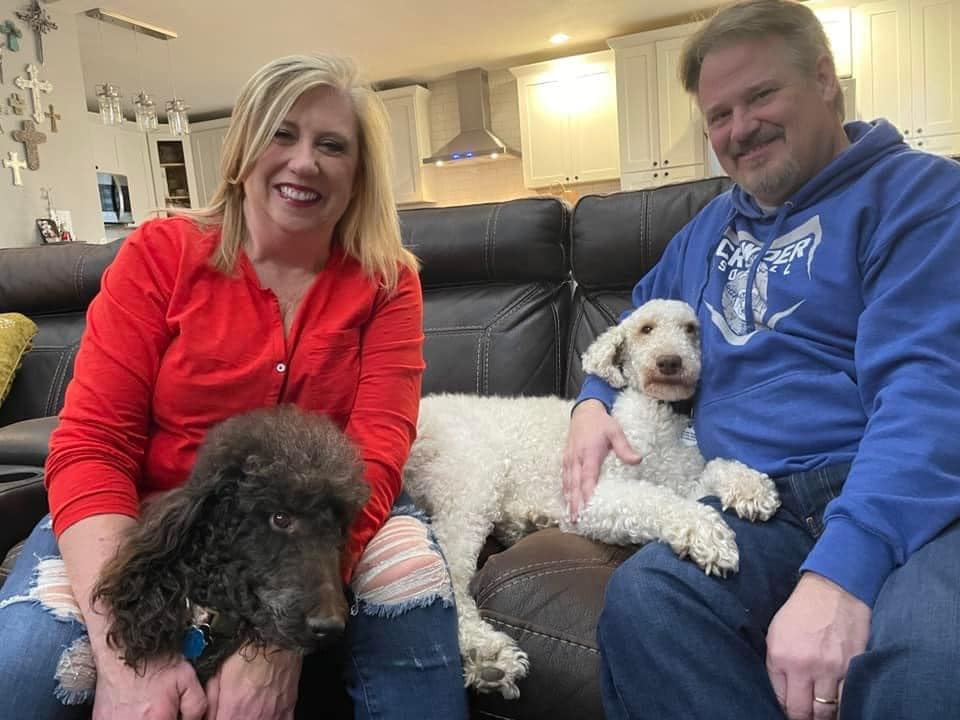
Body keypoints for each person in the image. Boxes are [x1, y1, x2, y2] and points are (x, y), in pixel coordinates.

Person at [0, 54, 468, 720]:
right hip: (150, 510)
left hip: (322, 518)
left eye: (331, 145)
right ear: (244, 146)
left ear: (358, 172)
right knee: (20, 666)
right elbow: (92, 443)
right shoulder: (159, 256)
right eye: (283, 134)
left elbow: (376, 454)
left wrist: (274, 643)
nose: (304, 161)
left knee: (413, 593)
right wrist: (124, 647)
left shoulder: (388, 280)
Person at [562, 1, 960, 718]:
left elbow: (929, 390)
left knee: (927, 667)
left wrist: (844, 572)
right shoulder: (707, 230)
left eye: (760, 97)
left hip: (900, 496)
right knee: (648, 602)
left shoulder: (921, 196)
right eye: (718, 115)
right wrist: (591, 398)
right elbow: (637, 323)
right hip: (755, 503)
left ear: (824, 79)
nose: (738, 129)